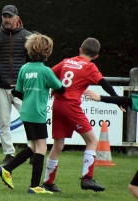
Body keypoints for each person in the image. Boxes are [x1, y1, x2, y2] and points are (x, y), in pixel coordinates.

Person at [41, 38, 120, 192]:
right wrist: (118, 101)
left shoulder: (66, 61)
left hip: (57, 104)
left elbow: (49, 73)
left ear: (80, 50)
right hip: (71, 106)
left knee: (58, 145)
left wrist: (53, 86)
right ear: (96, 56)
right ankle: (87, 179)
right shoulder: (90, 67)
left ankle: (48, 183)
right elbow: (104, 83)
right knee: (92, 141)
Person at [0, 33, 65, 194]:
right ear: (47, 52)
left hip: (26, 113)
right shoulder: (46, 71)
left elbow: (18, 93)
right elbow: (61, 89)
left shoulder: (24, 69)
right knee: (42, 147)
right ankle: (34, 186)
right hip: (37, 113)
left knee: (34, 147)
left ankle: (6, 169)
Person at [0, 5, 32, 165]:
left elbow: (33, 63)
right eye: (4, 16)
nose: (7, 19)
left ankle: (33, 151)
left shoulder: (28, 37)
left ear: (17, 18)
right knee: (4, 122)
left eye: (10, 16)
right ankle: (9, 154)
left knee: (29, 120)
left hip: (22, 88)